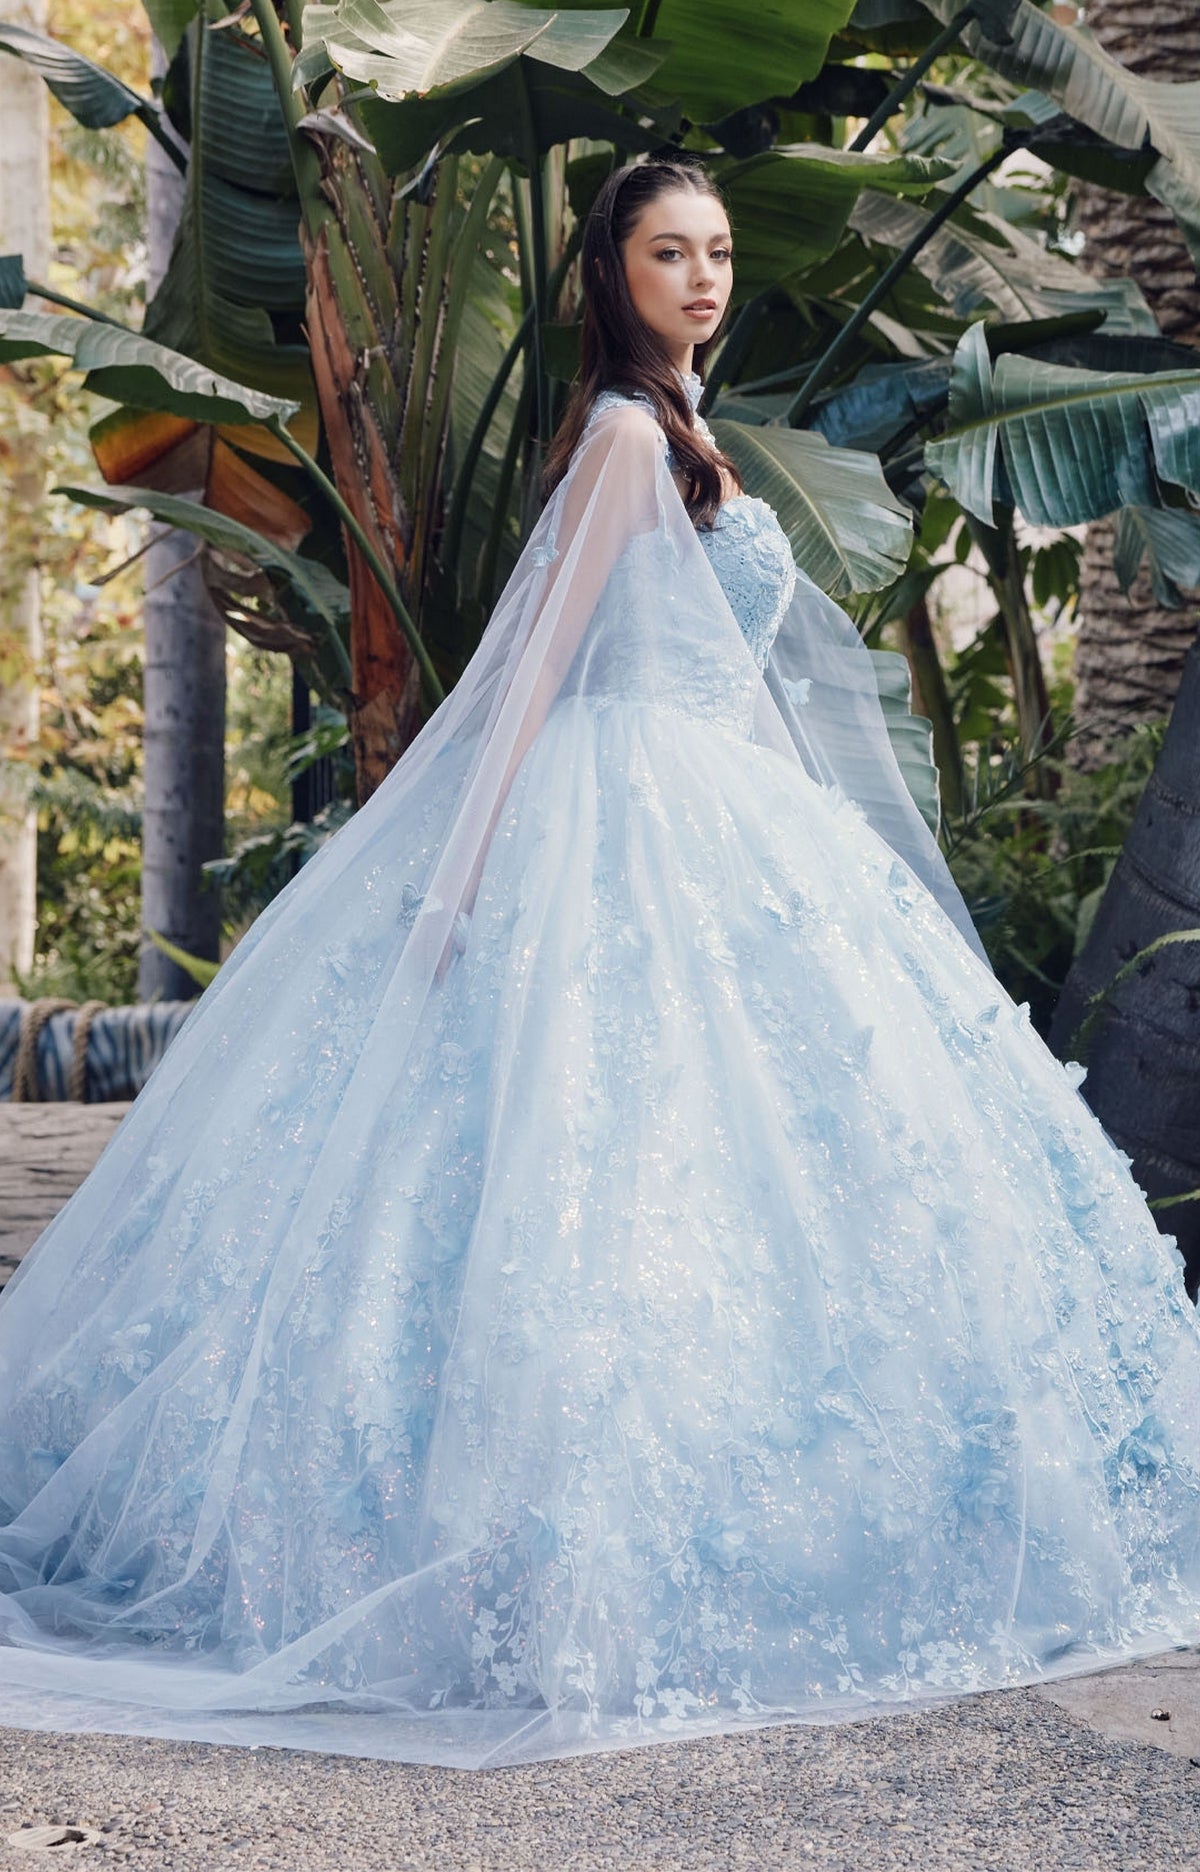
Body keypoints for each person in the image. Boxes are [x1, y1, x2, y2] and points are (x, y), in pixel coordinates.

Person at [1, 157, 1199, 1773]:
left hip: (729, 813)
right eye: (665, 253)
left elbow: (732, 668)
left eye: (712, 252)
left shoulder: (691, 427)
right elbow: (536, 675)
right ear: (609, 273)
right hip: (614, 809)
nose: (700, 277)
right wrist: (462, 876)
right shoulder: (632, 438)